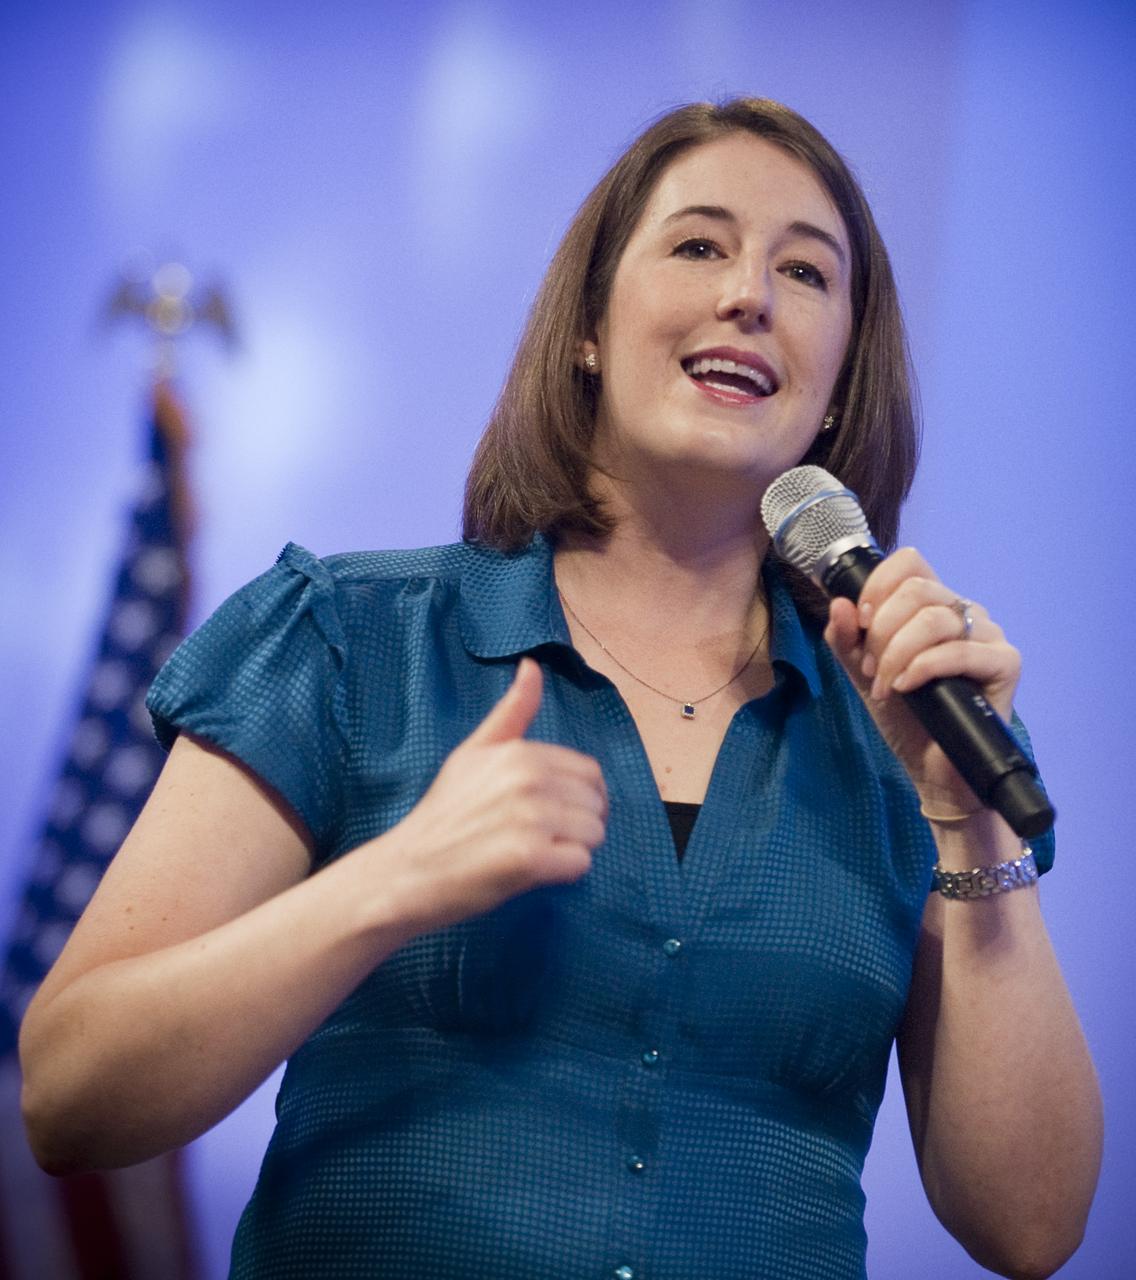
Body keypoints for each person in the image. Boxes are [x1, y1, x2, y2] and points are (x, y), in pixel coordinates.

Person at [20, 98, 1100, 1279]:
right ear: (587, 326)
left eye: (805, 271)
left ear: (837, 381)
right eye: (699, 245)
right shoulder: (349, 638)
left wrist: (962, 810)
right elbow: (71, 1093)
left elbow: (1032, 1227)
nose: (750, 294)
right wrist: (391, 880)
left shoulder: (913, 715)